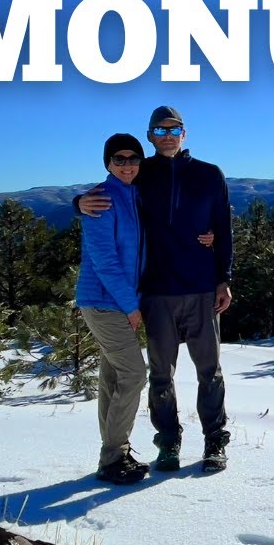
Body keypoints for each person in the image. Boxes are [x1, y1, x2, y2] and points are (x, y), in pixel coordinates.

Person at [78, 106, 235, 473]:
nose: (167, 135)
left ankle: (215, 441)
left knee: (209, 371)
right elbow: (105, 196)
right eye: (159, 130)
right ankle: (168, 442)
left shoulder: (209, 175)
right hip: (157, 292)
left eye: (173, 129)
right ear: (150, 135)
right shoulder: (140, 173)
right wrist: (78, 204)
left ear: (184, 133)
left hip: (200, 288)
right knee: (160, 374)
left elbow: (223, 228)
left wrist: (224, 278)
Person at [76, 134, 149, 485]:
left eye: (133, 158)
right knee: (134, 374)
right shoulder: (101, 199)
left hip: (115, 300)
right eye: (119, 159)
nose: (126, 164)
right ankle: (113, 455)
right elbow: (104, 261)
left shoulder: (134, 194)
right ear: (107, 162)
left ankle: (112, 455)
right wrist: (132, 307)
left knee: (113, 376)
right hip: (105, 301)